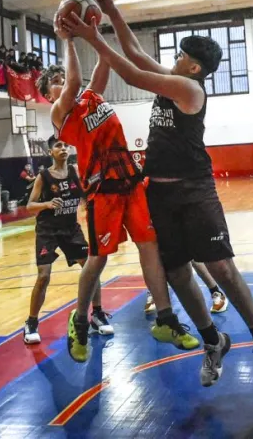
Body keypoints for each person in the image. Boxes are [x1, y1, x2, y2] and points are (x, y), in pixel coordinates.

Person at [62, 0, 253, 387]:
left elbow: (130, 75)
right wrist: (113, 14)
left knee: (220, 268)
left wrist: (91, 35)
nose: (175, 59)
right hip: (159, 195)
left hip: (194, 190)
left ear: (194, 67)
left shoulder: (189, 90)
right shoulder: (174, 79)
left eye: (181, 56)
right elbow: (132, 54)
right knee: (179, 273)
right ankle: (213, 341)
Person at [40, 26, 198, 364]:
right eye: (52, 81)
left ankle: (167, 319)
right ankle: (80, 320)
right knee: (98, 258)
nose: (59, 81)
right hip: (103, 191)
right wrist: (68, 39)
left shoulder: (91, 97)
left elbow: (102, 66)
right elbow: (73, 80)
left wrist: (97, 32)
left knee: (149, 246)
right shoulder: (61, 114)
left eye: (59, 76)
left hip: (129, 181)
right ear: (47, 96)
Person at [23, 136, 111, 344]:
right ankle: (31, 322)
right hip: (48, 230)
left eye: (65, 145)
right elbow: (29, 206)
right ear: (50, 152)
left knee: (91, 268)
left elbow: (88, 193)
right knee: (43, 276)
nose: (63, 149)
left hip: (71, 229)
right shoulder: (43, 177)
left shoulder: (75, 172)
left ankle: (97, 314)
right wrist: (46, 204)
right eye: (58, 146)